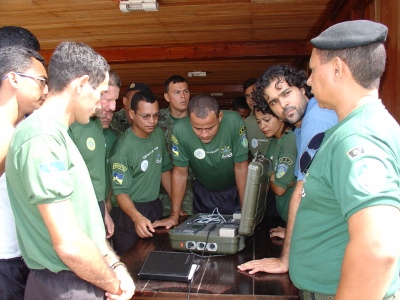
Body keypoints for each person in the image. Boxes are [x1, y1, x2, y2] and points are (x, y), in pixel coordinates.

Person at [5, 41, 135, 300]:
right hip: (65, 284)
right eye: (99, 93)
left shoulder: (59, 135)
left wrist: (117, 266)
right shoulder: (41, 139)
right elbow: (69, 245)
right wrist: (113, 282)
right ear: (82, 84)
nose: (100, 104)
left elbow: (87, 226)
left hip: (84, 276)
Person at [290, 20, 400, 299]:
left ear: (338, 69)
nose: (310, 81)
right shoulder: (366, 125)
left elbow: (378, 249)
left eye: (313, 70)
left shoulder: (357, 139)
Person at [237, 64, 337, 274]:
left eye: (286, 93)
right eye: (274, 101)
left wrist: (284, 260)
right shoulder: (303, 126)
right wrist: (295, 230)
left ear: (302, 88)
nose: (283, 104)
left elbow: (301, 192)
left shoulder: (316, 120)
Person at [154, 94, 249, 229]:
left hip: (235, 191)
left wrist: (246, 211)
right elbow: (180, 173)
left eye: (210, 127)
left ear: (220, 117)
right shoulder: (180, 130)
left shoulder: (234, 122)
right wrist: (174, 216)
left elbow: (241, 167)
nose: (204, 134)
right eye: (197, 128)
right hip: (204, 192)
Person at [0, 38, 47, 299]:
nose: (46, 89)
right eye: (40, 81)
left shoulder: (20, 129)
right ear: (14, 79)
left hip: (22, 255)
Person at [110, 90, 172, 256]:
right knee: (132, 263)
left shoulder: (157, 134)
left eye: (156, 115)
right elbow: (120, 192)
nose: (152, 121)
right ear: (132, 114)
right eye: (145, 116)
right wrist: (136, 218)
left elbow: (164, 169)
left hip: (154, 208)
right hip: (129, 213)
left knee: (157, 259)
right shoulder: (122, 149)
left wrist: (176, 205)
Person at [69, 69, 121, 239]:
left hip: (96, 208)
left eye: (115, 100)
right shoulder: (71, 124)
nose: (113, 107)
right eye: (108, 99)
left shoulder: (96, 124)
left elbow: (93, 173)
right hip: (76, 213)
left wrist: (103, 211)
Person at [254, 101, 296, 231]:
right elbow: (267, 179)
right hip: (285, 216)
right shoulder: (273, 141)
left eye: (266, 120)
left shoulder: (289, 141)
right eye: (259, 122)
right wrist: (272, 177)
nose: (262, 126)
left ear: (280, 116)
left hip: (296, 219)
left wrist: (270, 176)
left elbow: (279, 189)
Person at [158, 75, 193, 216]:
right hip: (162, 195)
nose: (183, 97)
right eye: (177, 92)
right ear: (167, 97)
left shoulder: (198, 120)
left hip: (194, 193)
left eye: (186, 91)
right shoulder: (156, 121)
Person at [243, 78, 271, 157]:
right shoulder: (246, 123)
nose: (250, 99)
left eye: (253, 94)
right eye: (247, 96)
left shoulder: (277, 116)